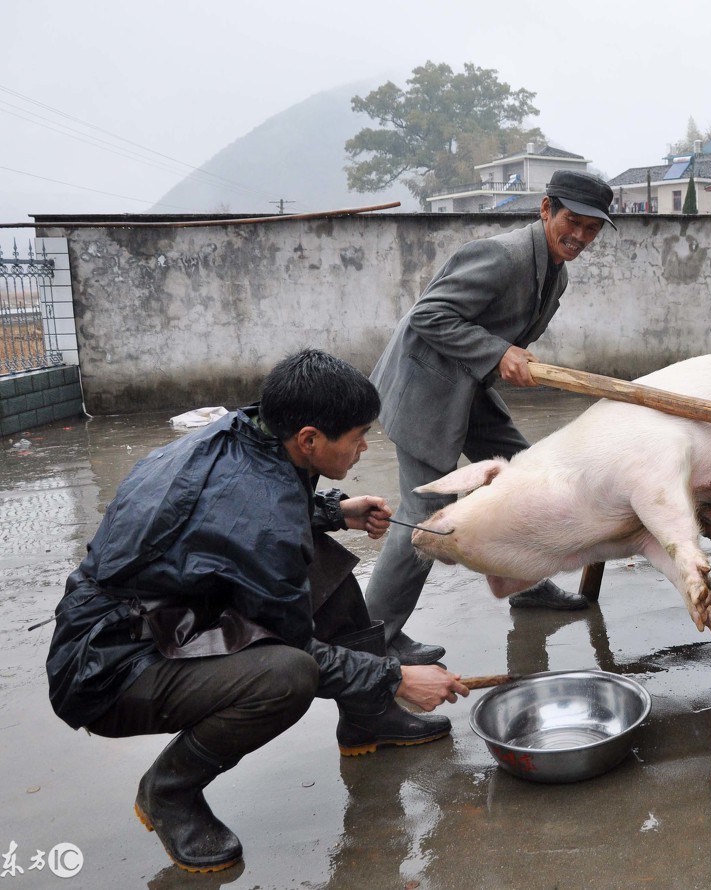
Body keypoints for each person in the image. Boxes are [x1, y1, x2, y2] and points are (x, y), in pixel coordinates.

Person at [45, 349, 469, 874]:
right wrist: (395, 675)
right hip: (107, 668)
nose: (364, 447)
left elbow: (232, 511)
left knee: (323, 566)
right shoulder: (267, 522)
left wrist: (332, 511)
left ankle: (368, 720)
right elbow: (297, 644)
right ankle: (170, 791)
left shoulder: (245, 431)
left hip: (156, 612)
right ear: (309, 439)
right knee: (286, 675)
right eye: (357, 436)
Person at [364, 169, 616, 665]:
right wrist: (499, 352)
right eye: (573, 221)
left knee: (524, 474)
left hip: (464, 387)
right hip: (425, 391)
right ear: (546, 209)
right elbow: (428, 316)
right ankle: (372, 640)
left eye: (592, 228)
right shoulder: (503, 256)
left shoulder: (554, 272)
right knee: (423, 523)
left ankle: (524, 584)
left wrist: (505, 356)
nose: (581, 237)